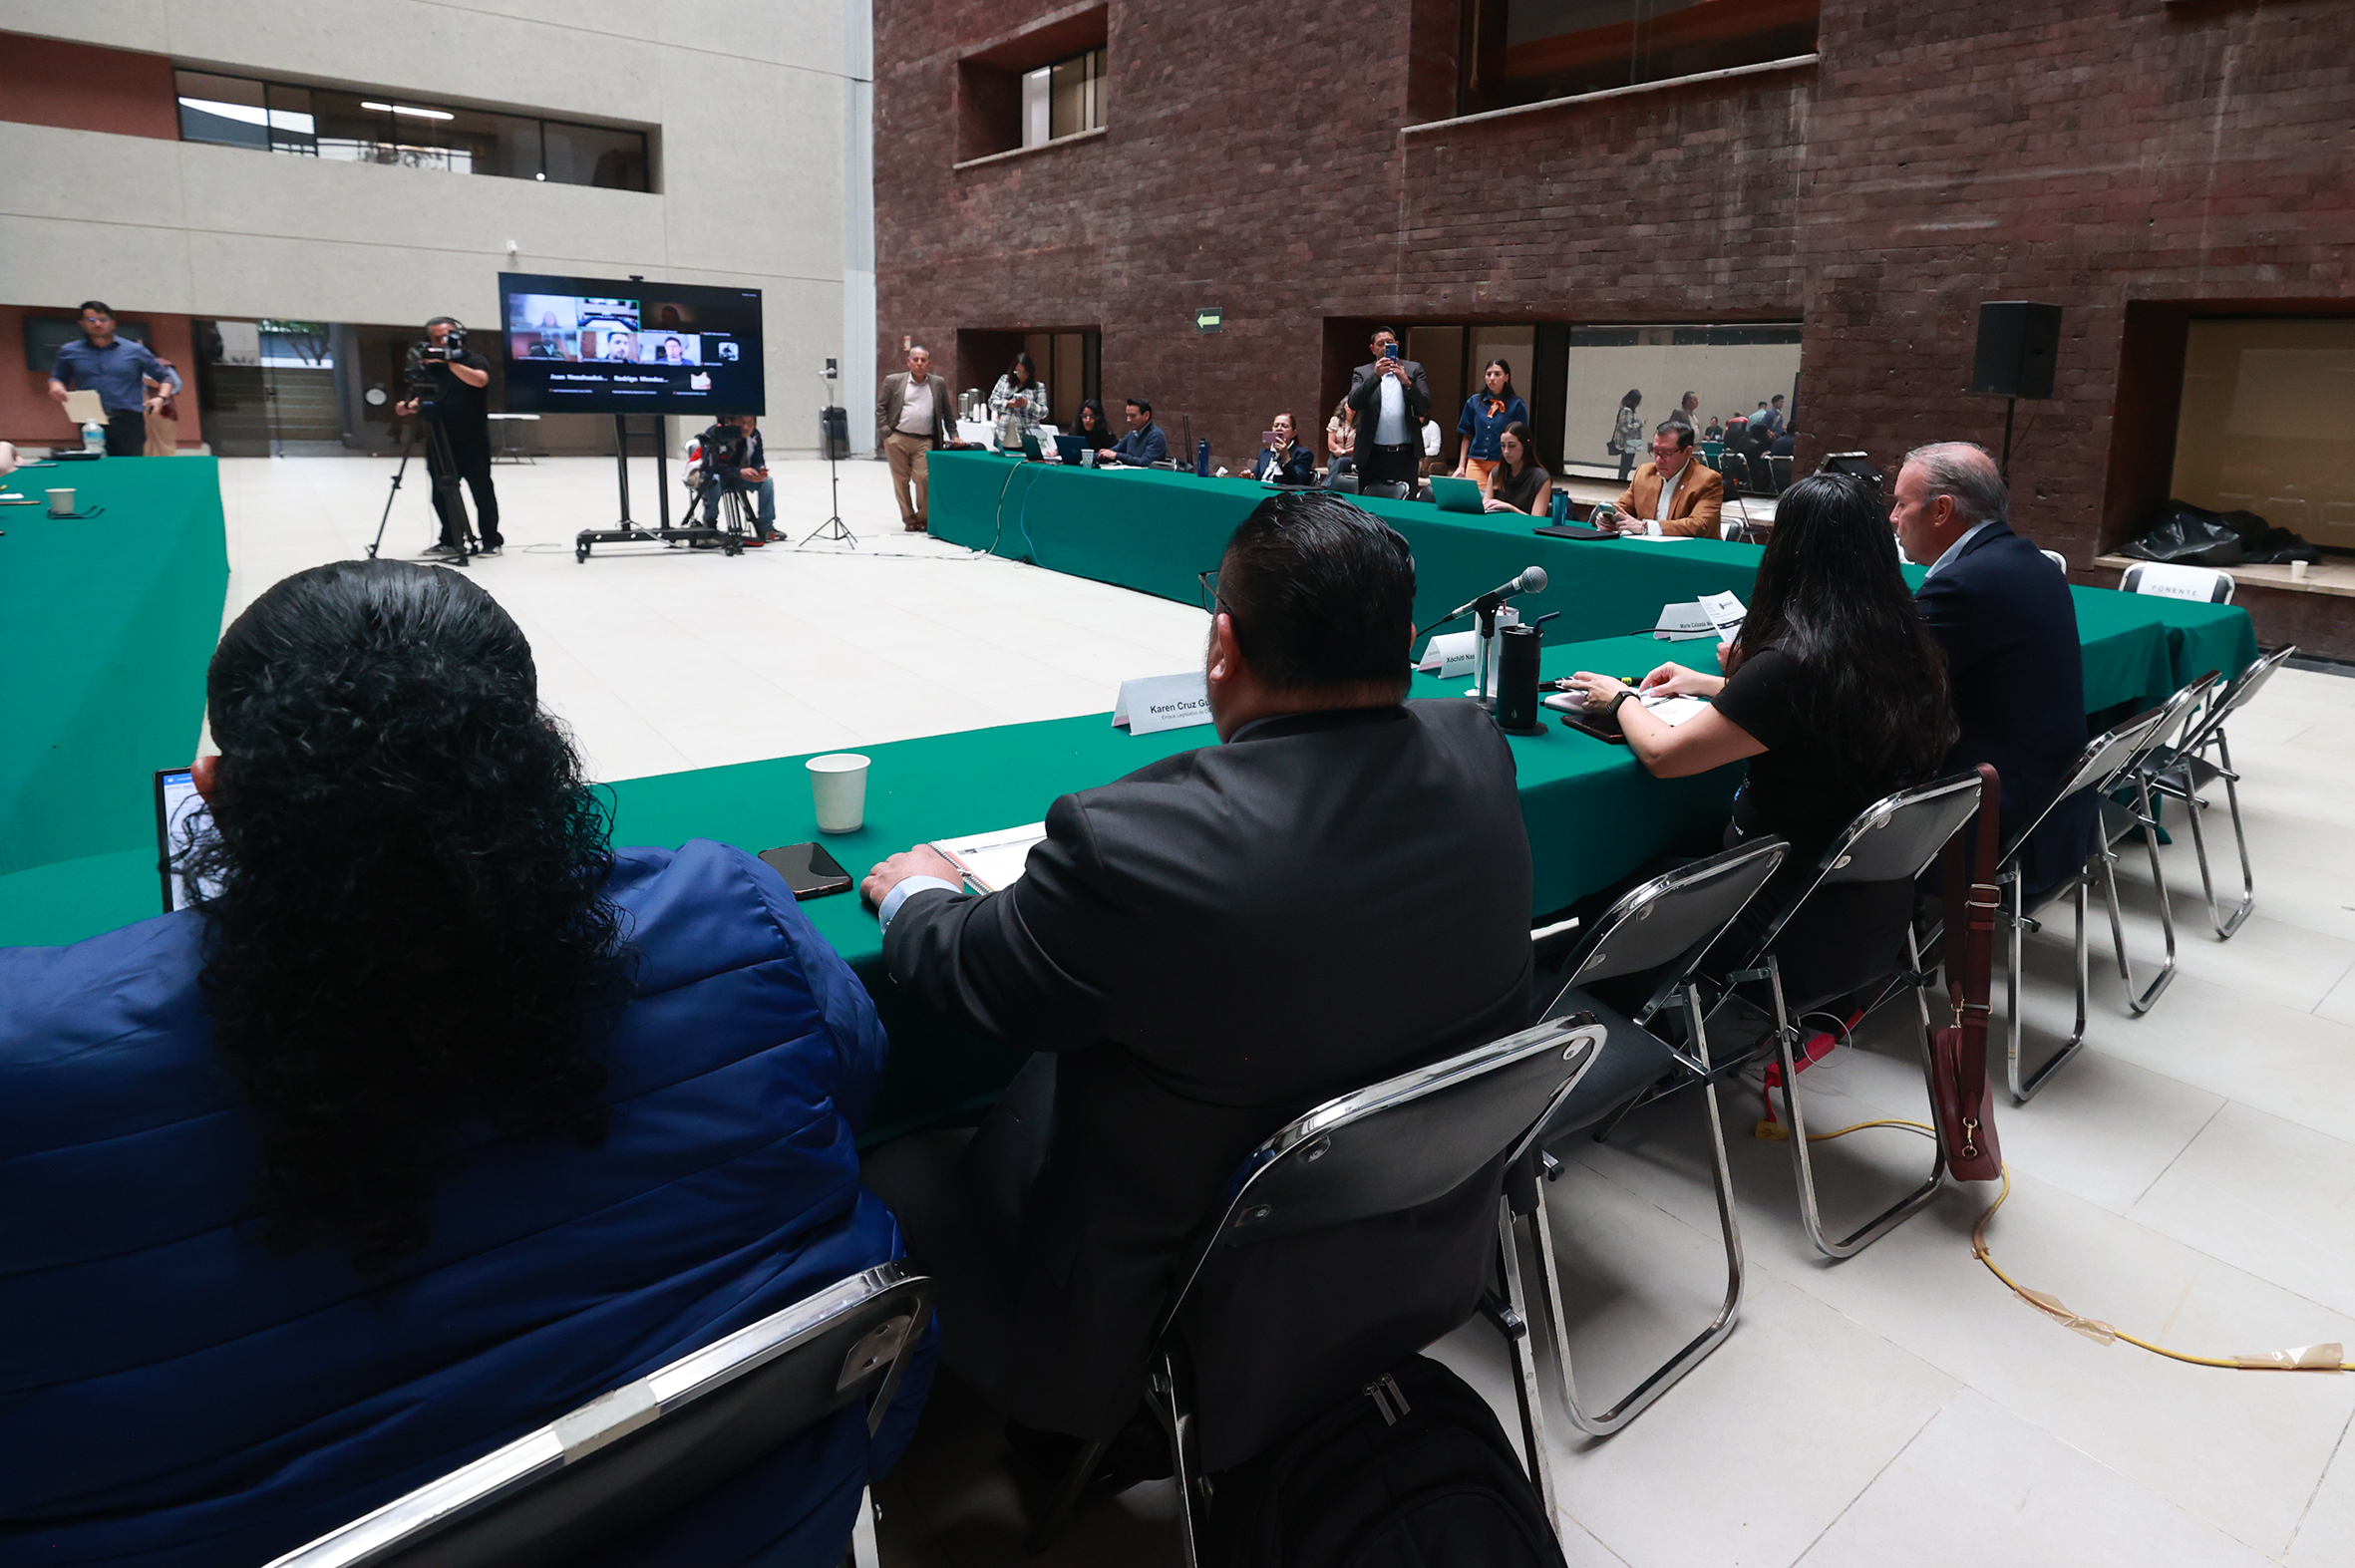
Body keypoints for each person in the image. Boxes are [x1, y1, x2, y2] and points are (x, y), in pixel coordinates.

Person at [0, 560, 933, 1568]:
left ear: (218, 799)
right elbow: (856, 1074)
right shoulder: (737, 914)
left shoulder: (31, 1055)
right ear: (532, 768)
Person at [856, 489, 1533, 1459]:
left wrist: (916, 895)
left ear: (1224, 647)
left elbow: (980, 972)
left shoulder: (1129, 843)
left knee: (890, 1166)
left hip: (1170, 1306)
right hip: (1415, 1258)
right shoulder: (1478, 746)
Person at [1566, 474, 1955, 989]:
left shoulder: (1793, 663)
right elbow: (1820, 706)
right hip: (1862, 917)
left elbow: (1664, 755)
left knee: (1605, 878)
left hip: (1774, 913)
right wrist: (1711, 683)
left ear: (1788, 552)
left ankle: (1627, 1019)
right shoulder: (1907, 644)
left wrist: (1620, 700)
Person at [1896, 441, 2095, 893]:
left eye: (1901, 503)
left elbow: (1881, 682)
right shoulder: (2030, 561)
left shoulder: (1965, 584)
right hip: (2052, 802)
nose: (1893, 517)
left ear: (1941, 510)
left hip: (1995, 811)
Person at [394, 316, 503, 558]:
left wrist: (450, 363)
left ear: (459, 336)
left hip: (472, 438)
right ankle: (451, 539)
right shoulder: (430, 366)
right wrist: (408, 405)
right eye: (436, 338)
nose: (442, 341)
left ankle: (490, 540)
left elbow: (480, 380)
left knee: (481, 490)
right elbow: (423, 395)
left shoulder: (473, 360)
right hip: (439, 437)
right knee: (441, 491)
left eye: (447, 336)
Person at [48, 300, 181, 457]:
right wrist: (56, 387)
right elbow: (57, 377)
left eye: (103, 320)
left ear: (113, 323)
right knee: (96, 464)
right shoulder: (69, 351)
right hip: (90, 419)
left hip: (128, 420)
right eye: (91, 320)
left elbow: (166, 378)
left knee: (129, 466)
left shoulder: (135, 350)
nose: (97, 324)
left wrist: (161, 398)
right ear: (82, 323)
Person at [877, 343, 954, 531]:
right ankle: (909, 518)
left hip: (924, 440)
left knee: (923, 478)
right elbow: (881, 407)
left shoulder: (937, 383)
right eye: (916, 359)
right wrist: (886, 433)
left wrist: (954, 434)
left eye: (923, 360)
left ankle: (923, 517)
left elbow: (947, 411)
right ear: (909, 362)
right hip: (897, 438)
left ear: (929, 363)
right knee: (901, 480)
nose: (919, 363)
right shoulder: (894, 381)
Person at [1345, 326, 1432, 490]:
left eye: (1389, 343)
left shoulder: (1413, 369)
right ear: (1372, 349)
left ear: (1397, 345)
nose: (1385, 347)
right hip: (1372, 454)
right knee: (1369, 500)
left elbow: (1424, 407)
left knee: (1406, 500)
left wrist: (1407, 382)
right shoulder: (1362, 372)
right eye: (1380, 344)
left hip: (1405, 455)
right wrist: (1375, 377)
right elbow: (1354, 403)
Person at [1609, 420, 1723, 538]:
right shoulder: (1644, 473)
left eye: (1667, 453)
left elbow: (1698, 526)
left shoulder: (1707, 480)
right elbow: (1621, 508)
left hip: (1691, 548)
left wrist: (1645, 527)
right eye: (1655, 451)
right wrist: (1609, 518)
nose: (1658, 459)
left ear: (1688, 452)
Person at [699, 412, 777, 541]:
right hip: (718, 475)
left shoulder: (754, 435)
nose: (746, 427)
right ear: (730, 421)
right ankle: (709, 522)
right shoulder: (715, 433)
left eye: (750, 423)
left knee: (767, 482)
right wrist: (738, 472)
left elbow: (757, 460)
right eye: (741, 423)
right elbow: (711, 466)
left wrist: (760, 470)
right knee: (713, 481)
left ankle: (766, 527)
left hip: (741, 477)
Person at [1453, 359, 1528, 489]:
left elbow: (1522, 439)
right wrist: (1461, 465)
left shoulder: (1517, 405)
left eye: (1497, 374)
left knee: (1497, 497)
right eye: (1488, 374)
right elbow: (1467, 434)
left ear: (1506, 377)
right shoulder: (1474, 402)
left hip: (1503, 461)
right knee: (1476, 496)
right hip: (1476, 460)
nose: (1492, 378)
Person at [1482, 421, 1552, 515]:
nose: (1506, 451)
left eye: (1512, 446)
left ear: (1526, 445)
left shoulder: (1541, 479)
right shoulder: (1496, 473)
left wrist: (1510, 508)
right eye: (1503, 446)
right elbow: (1485, 507)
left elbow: (1537, 519)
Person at [987, 351, 1050, 444]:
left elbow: (1043, 412)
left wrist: (1026, 404)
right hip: (1003, 434)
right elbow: (992, 402)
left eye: (1025, 372)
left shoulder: (1038, 387)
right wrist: (1008, 404)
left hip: (1028, 436)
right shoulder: (1004, 380)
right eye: (1017, 372)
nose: (1021, 376)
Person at [1252, 411, 1314, 484]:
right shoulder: (1264, 452)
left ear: (1293, 433)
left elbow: (1297, 482)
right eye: (1276, 426)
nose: (1279, 429)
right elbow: (1257, 476)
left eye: (1284, 426)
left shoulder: (1303, 454)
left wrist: (1286, 457)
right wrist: (1250, 477)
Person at [1107, 396, 1169, 465]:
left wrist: (1117, 456)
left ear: (1146, 415)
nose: (1128, 420)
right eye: (1128, 415)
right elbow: (1114, 451)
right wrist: (1102, 454)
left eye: (1133, 416)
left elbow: (1145, 461)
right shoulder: (1132, 434)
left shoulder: (1156, 435)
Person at [1608, 389, 1645, 482]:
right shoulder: (1627, 411)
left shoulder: (1628, 410)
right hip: (1628, 442)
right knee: (1626, 466)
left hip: (1631, 442)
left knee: (1627, 466)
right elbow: (1626, 428)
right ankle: (1621, 481)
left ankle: (1622, 480)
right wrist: (1640, 423)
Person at [1324, 394, 1357, 479]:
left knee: (1341, 462)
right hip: (1336, 454)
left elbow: (1360, 445)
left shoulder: (1362, 423)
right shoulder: (1335, 420)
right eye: (1348, 404)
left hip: (1352, 457)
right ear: (1344, 405)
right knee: (1333, 464)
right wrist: (1340, 451)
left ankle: (1327, 484)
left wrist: (1345, 452)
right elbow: (1331, 442)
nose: (1350, 407)